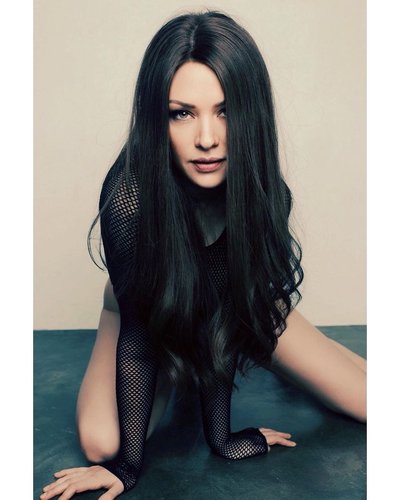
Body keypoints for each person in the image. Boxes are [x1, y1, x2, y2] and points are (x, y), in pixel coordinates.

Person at [40, 10, 366, 500]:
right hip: (146, 309)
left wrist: (223, 439)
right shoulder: (129, 197)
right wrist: (128, 469)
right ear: (159, 118)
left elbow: (226, 317)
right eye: (182, 113)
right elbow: (139, 339)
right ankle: (170, 355)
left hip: (238, 302)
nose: (207, 139)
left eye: (225, 110)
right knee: (102, 444)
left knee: (371, 401)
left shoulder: (264, 192)